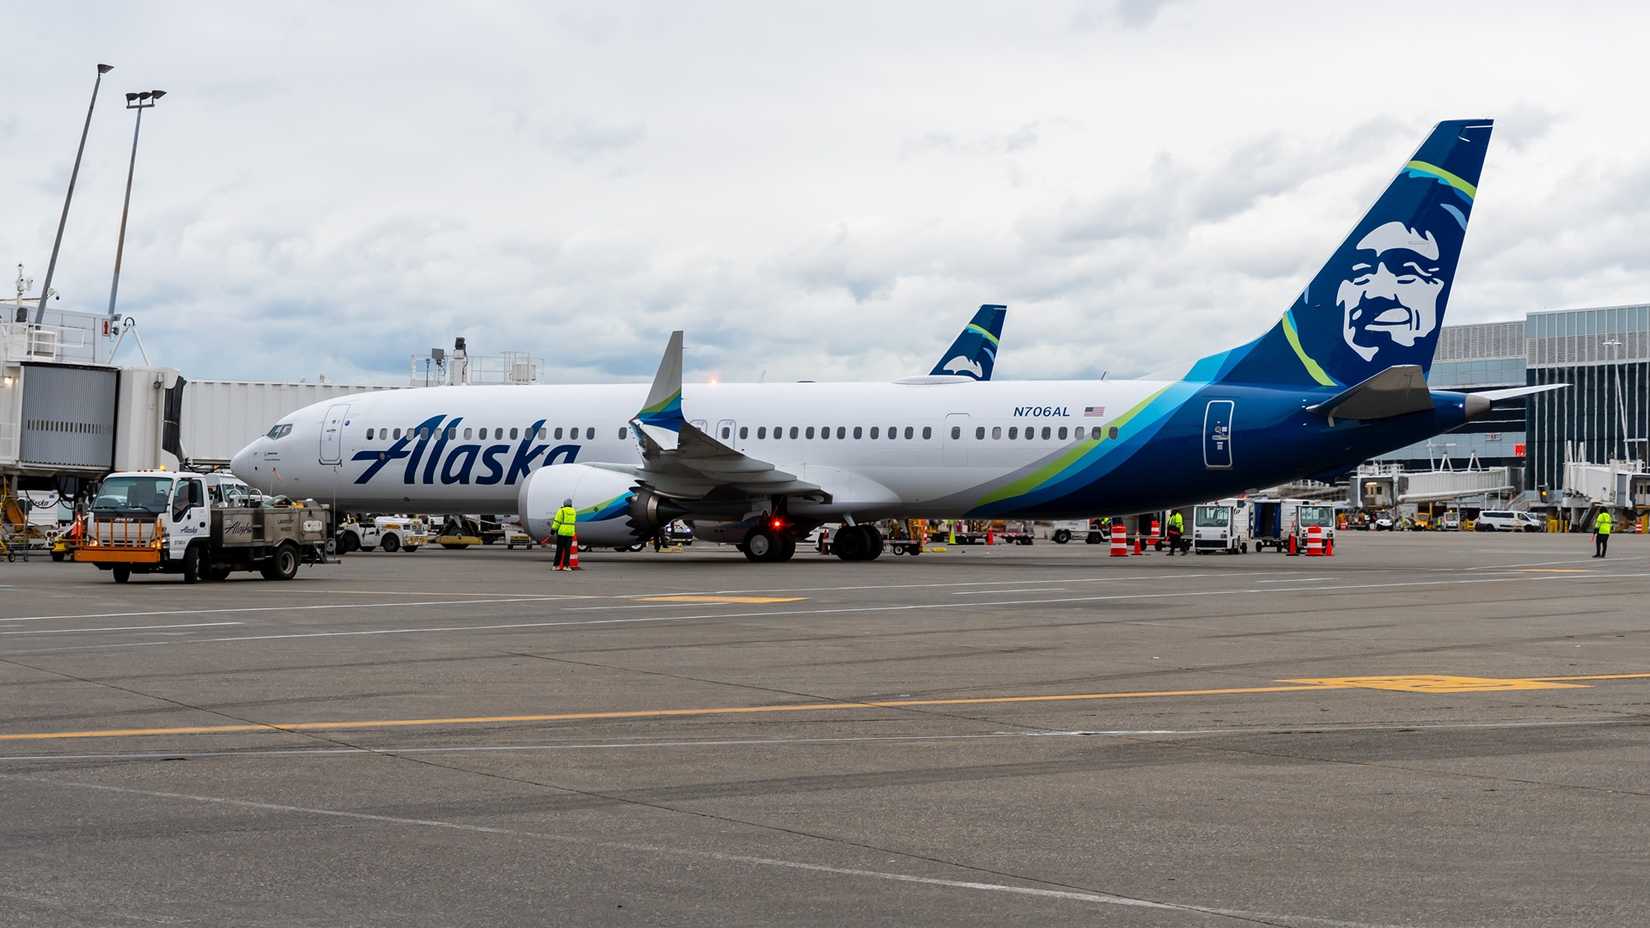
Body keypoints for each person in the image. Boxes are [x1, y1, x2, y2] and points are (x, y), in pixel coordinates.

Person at [550, 497, 578, 570]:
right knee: (567, 551)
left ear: (564, 504)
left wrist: (553, 530)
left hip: (561, 533)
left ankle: (556, 566)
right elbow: (574, 521)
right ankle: (566, 566)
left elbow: (557, 521)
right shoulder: (574, 511)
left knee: (559, 550)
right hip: (570, 533)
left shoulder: (561, 511)